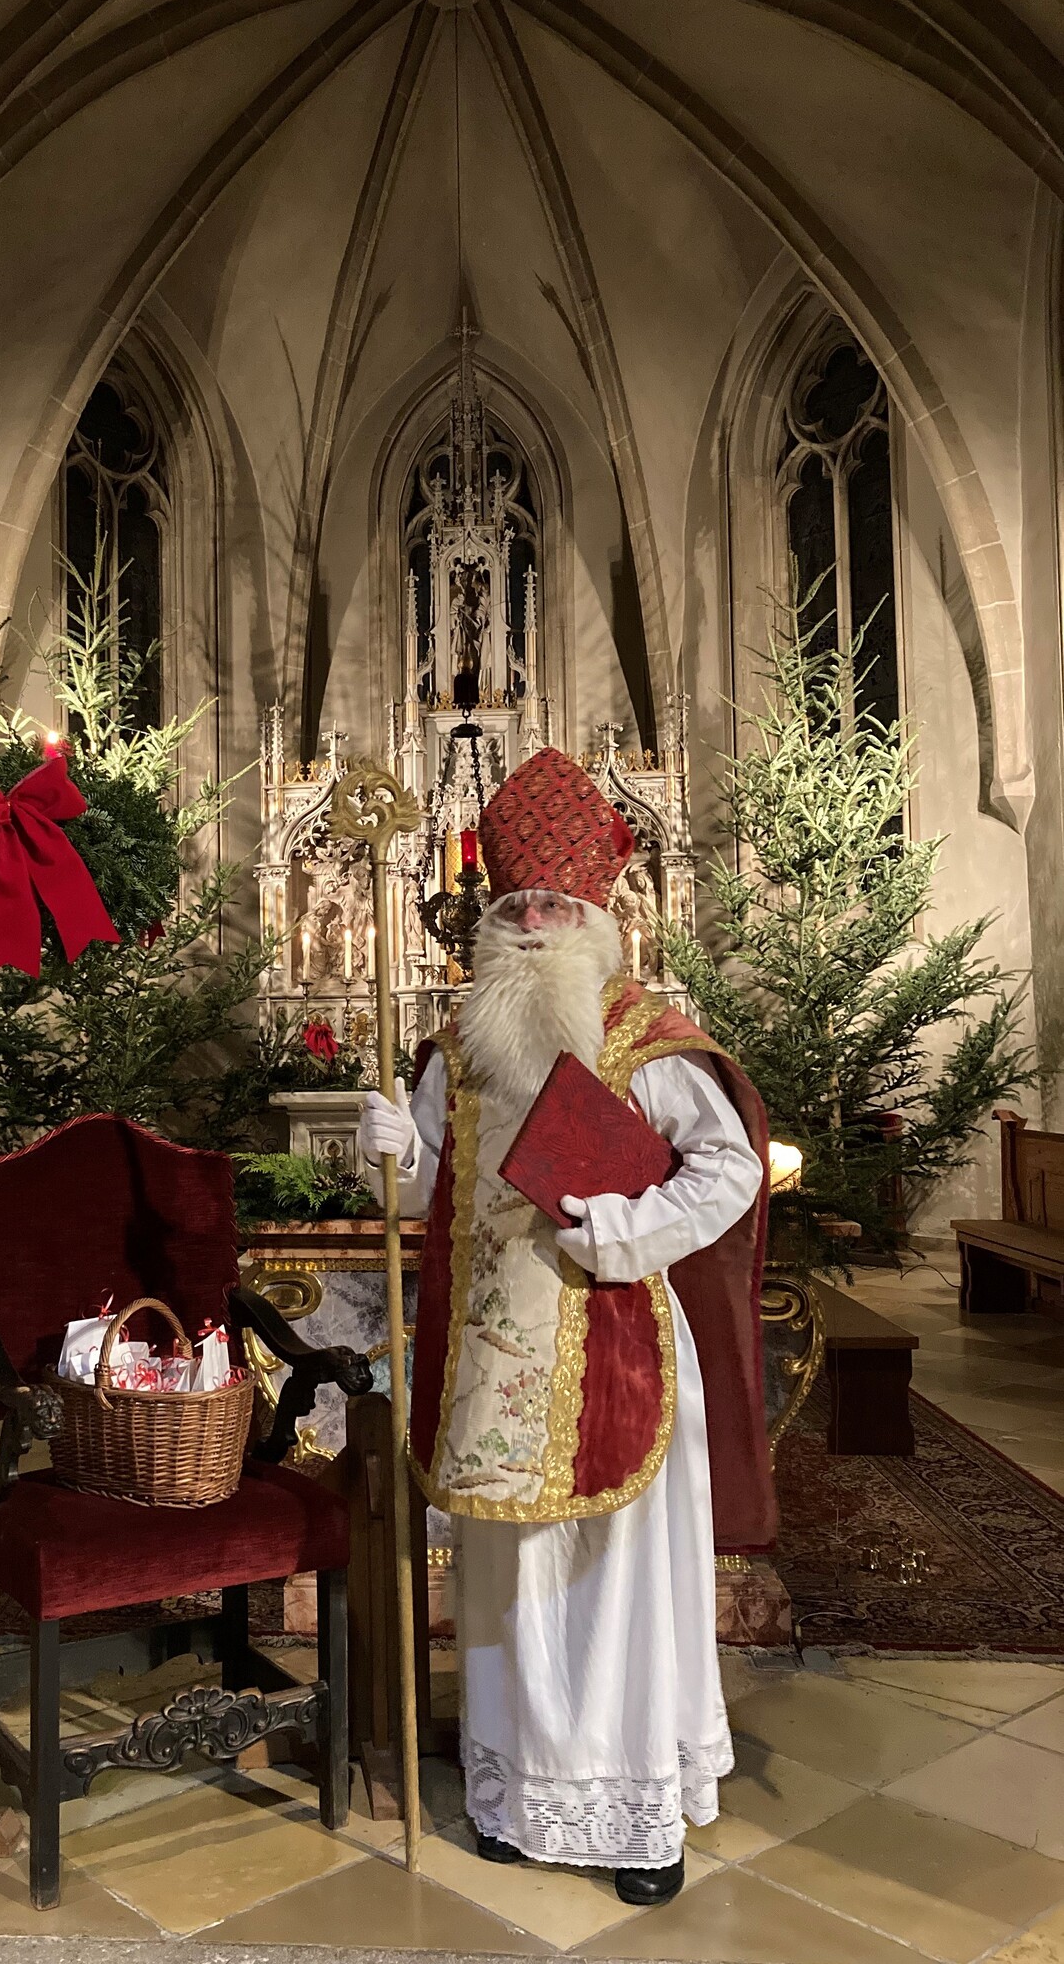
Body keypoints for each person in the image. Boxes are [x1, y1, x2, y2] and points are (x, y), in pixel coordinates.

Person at [358, 749, 773, 1906]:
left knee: (618, 1588)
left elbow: (729, 1167)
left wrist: (630, 1228)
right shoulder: (461, 1052)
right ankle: (517, 1795)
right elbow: (433, 1201)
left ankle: (635, 1815)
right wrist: (398, 1151)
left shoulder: (647, 1040)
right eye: (513, 904)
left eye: (555, 904)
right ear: (489, 918)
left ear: (596, 915)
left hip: (619, 1341)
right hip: (498, 1364)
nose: (533, 921)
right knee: (508, 1586)